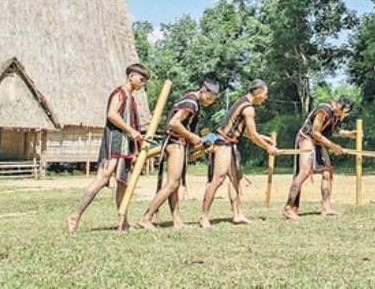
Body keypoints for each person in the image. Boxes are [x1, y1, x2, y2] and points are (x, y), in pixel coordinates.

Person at [66, 63, 151, 232]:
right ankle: (74, 216)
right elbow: (112, 114)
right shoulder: (119, 93)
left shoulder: (130, 97)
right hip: (114, 143)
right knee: (102, 180)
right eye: (141, 80)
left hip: (125, 147)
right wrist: (131, 131)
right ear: (131, 76)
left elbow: (129, 122)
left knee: (123, 184)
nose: (142, 84)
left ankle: (123, 222)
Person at [135, 80, 220, 229]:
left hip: (173, 143)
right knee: (172, 183)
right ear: (203, 91)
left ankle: (177, 220)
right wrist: (191, 136)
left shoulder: (189, 98)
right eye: (209, 98)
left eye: (213, 100)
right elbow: (174, 122)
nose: (210, 102)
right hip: (176, 143)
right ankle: (146, 218)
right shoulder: (191, 102)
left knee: (174, 184)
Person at [199, 79, 281, 227]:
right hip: (223, 143)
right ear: (258, 92)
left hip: (229, 143)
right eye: (265, 94)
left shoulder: (241, 101)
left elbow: (245, 132)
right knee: (218, 179)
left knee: (235, 178)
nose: (266, 97)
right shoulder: (248, 108)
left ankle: (237, 214)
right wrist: (268, 148)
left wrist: (264, 138)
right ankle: (203, 216)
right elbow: (253, 135)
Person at [282, 96, 356, 219]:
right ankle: (288, 208)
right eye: (342, 111)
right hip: (306, 137)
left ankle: (326, 208)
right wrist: (332, 146)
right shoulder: (324, 111)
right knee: (304, 172)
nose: (343, 114)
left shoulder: (337, 115)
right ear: (336, 105)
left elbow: (333, 129)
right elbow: (315, 132)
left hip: (318, 141)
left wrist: (348, 134)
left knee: (327, 172)